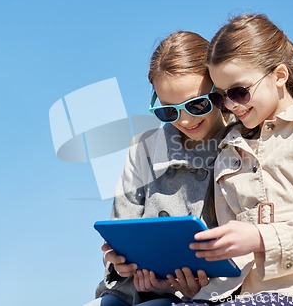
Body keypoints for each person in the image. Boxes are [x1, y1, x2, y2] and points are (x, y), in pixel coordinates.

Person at [176, 14, 293, 306]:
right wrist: (196, 281)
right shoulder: (228, 146)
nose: (231, 105)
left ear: (279, 75)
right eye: (221, 97)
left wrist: (260, 237)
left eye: (239, 92)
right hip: (237, 297)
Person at [86, 31, 228, 306]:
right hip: (128, 292)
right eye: (169, 111)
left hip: (199, 295)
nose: (185, 121)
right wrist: (117, 262)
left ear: (218, 90)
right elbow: (121, 226)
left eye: (197, 105)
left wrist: (202, 285)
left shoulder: (237, 145)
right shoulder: (144, 148)